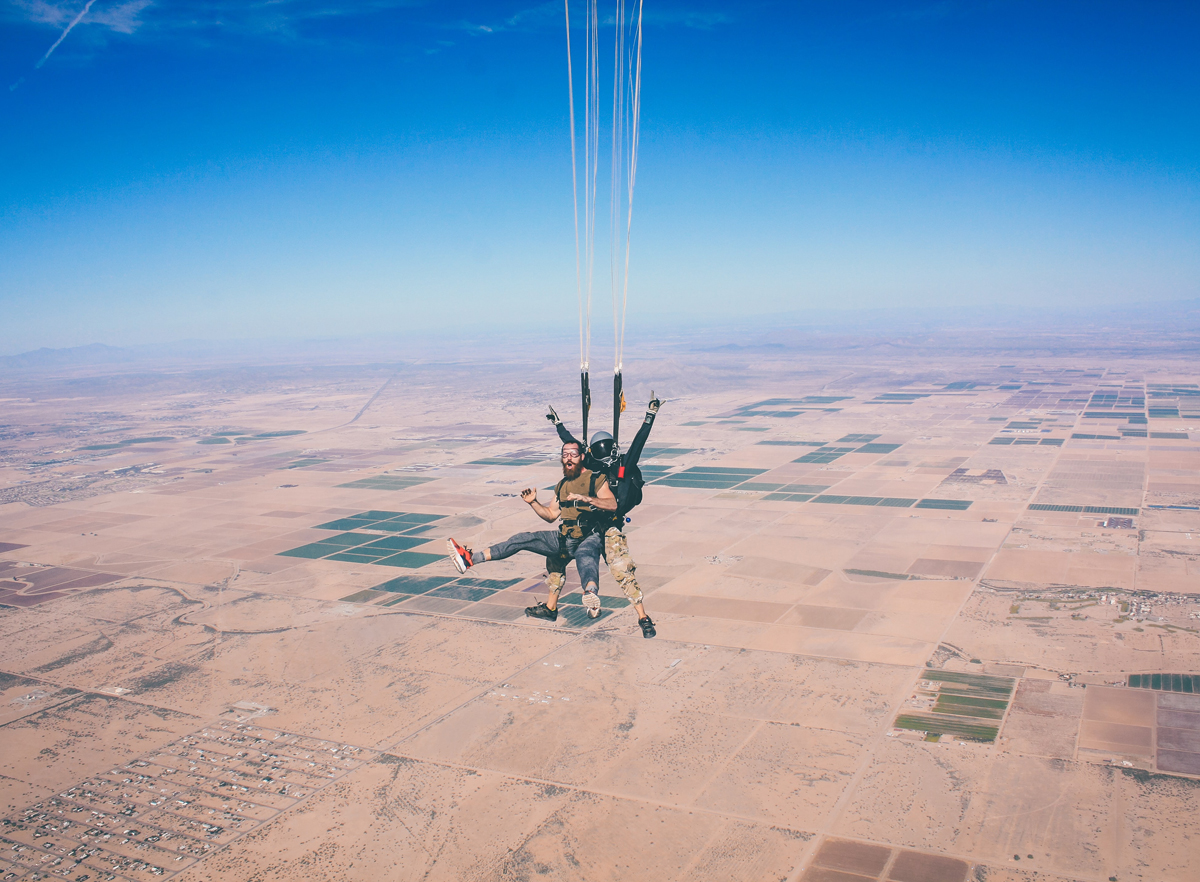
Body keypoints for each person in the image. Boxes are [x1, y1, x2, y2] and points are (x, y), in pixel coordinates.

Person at [445, 440, 615, 621]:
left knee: (587, 561)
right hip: (564, 538)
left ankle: (591, 596)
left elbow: (612, 504)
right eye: (565, 455)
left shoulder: (595, 480)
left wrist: (587, 499)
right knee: (522, 539)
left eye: (573, 454)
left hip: (589, 536)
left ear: (582, 456)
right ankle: (470, 559)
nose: (568, 458)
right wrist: (533, 502)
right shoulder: (562, 485)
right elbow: (551, 515)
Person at [545, 394, 660, 639]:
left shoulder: (622, 467)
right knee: (557, 558)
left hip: (609, 527)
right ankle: (550, 607)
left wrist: (650, 417)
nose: (604, 455)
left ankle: (643, 617)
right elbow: (572, 445)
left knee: (621, 568)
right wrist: (559, 426)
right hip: (589, 524)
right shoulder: (595, 467)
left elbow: (639, 443)